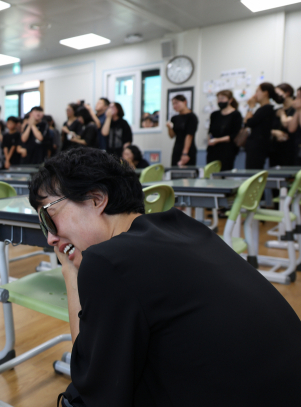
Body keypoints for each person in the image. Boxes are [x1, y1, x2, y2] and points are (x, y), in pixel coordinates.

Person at [28, 147, 301, 407]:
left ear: (96, 199)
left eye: (49, 217)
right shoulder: (184, 228)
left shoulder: (109, 261)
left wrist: (70, 274)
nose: (50, 238)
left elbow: (90, 389)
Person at [244, 83, 283, 169]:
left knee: (253, 171)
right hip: (256, 146)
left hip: (258, 147)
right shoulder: (262, 109)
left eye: (257, 91)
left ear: (265, 93)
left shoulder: (267, 108)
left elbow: (248, 122)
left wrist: (250, 107)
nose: (255, 95)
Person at [207, 90, 242, 171]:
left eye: (222, 98)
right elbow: (210, 131)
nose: (220, 101)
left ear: (230, 100)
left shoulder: (236, 115)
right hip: (213, 150)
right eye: (218, 99)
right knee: (211, 173)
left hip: (227, 150)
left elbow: (234, 135)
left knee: (225, 172)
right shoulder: (214, 115)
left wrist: (217, 140)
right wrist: (210, 139)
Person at [269, 83, 297, 167]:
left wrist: (282, 114)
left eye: (277, 93)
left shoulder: (296, 110)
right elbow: (267, 128)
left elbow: (286, 124)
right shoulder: (276, 111)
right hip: (276, 149)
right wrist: (275, 132)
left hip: (291, 148)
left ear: (287, 92)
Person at [166, 95, 198, 167]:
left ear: (185, 102)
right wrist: (169, 128)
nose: (175, 106)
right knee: (174, 171)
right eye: (173, 104)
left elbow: (189, 135)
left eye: (176, 103)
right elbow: (172, 136)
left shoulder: (191, 117)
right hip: (177, 148)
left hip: (188, 149)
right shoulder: (174, 118)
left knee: (186, 173)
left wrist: (185, 153)